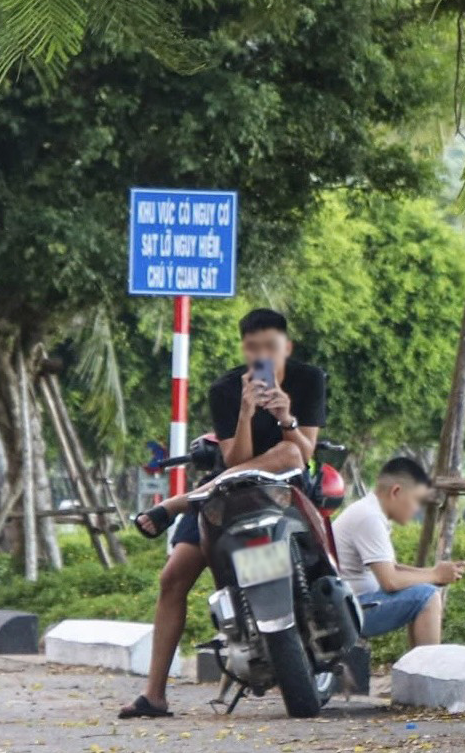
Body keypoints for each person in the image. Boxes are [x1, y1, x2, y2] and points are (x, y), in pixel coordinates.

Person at [120, 308, 327, 719]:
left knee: (286, 450)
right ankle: (154, 694)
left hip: (285, 491)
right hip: (228, 493)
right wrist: (246, 412)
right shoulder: (227, 389)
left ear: (287, 346)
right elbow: (237, 457)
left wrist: (286, 416)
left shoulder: (309, 379)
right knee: (172, 576)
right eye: (253, 349)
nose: (262, 356)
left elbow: (304, 454)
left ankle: (176, 502)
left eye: (271, 347)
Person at [331, 457, 465, 645]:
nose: (416, 509)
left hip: (350, 604)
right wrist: (436, 575)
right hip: (348, 611)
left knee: (424, 591)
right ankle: (425, 672)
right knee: (427, 597)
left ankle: (416, 669)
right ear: (396, 492)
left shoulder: (370, 511)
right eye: (416, 501)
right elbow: (390, 581)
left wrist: (436, 572)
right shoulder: (369, 518)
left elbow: (392, 569)